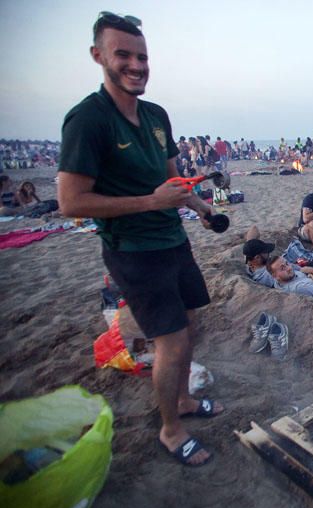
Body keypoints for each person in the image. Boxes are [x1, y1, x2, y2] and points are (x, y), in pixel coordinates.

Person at [56, 12, 221, 466]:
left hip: (173, 240)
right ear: (99, 57)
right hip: (133, 252)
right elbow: (71, 202)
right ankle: (171, 430)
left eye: (142, 56)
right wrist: (150, 203)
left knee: (191, 329)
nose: (136, 65)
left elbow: (172, 181)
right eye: (123, 55)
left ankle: (184, 401)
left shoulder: (155, 115)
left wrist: (202, 208)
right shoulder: (88, 120)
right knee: (170, 342)